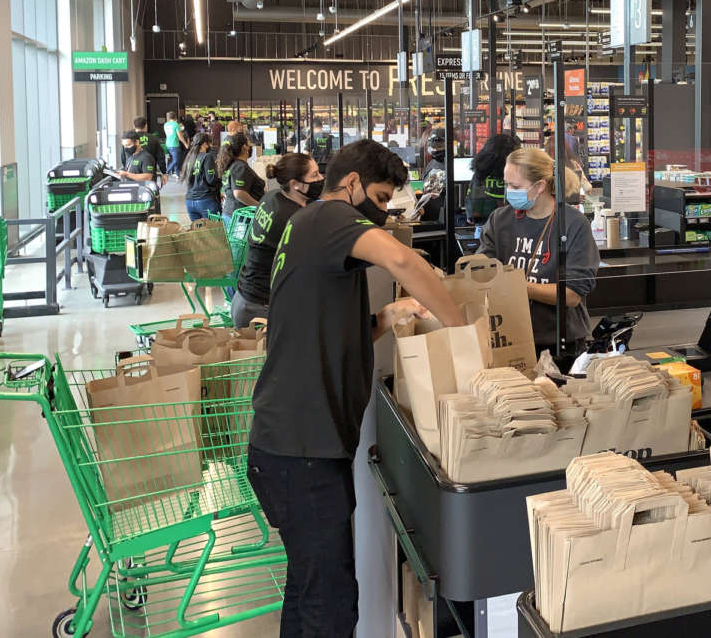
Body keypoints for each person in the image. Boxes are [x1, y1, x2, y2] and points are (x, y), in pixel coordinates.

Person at [247, 139, 464, 636]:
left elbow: (323, 328)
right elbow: (406, 263)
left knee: (310, 588)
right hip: (302, 452)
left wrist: (388, 316)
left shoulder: (308, 227)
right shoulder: (328, 219)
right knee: (332, 603)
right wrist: (462, 329)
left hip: (290, 447)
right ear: (350, 185)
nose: (385, 212)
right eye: (382, 198)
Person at [477, 148, 600, 356]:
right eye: (506, 184)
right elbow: (483, 271)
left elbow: (571, 295)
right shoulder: (500, 220)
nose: (509, 191)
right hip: (509, 337)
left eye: (515, 186)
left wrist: (518, 286)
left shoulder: (572, 224)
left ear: (540, 186)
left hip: (560, 342)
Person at [231, 153, 324, 327]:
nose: (321, 178)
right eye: (315, 175)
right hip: (259, 309)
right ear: (295, 184)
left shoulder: (272, 197)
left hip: (245, 297)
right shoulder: (292, 218)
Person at [467, 133, 519, 224]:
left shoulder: (480, 173)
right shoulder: (516, 174)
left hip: (484, 227)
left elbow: (473, 211)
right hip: (511, 226)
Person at [217, 133, 265, 221]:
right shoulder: (240, 167)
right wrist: (259, 206)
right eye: (249, 144)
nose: (251, 147)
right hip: (241, 218)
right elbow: (239, 193)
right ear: (244, 147)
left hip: (230, 213)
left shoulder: (230, 164)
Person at [181, 132, 221, 220]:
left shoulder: (189, 157)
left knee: (198, 232)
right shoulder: (207, 157)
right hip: (205, 200)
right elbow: (211, 180)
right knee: (214, 232)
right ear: (204, 144)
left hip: (190, 201)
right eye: (209, 143)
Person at [163, 111, 187, 177]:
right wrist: (185, 143)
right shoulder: (176, 124)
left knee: (174, 159)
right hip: (174, 144)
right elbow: (180, 136)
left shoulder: (166, 124)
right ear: (175, 117)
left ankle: (177, 174)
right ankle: (166, 172)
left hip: (168, 144)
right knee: (176, 160)